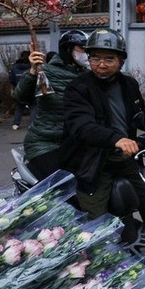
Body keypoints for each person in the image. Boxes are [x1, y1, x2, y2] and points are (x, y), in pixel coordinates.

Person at [61, 29, 145, 223]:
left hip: (125, 159)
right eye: (95, 58)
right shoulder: (78, 87)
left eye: (109, 59)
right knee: (96, 225)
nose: (101, 65)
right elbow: (81, 125)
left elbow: (142, 115)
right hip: (93, 163)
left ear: (120, 61)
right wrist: (116, 139)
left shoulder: (129, 84)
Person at [14, 30, 90, 179]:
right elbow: (21, 96)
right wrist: (32, 71)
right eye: (83, 49)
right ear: (68, 50)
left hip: (76, 144)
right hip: (45, 143)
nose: (87, 54)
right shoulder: (45, 71)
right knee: (65, 186)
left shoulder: (88, 75)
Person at [9, 50, 33, 130]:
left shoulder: (15, 67)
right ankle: (31, 124)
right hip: (31, 90)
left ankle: (16, 124)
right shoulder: (32, 67)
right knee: (33, 107)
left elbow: (11, 79)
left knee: (19, 107)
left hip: (19, 89)